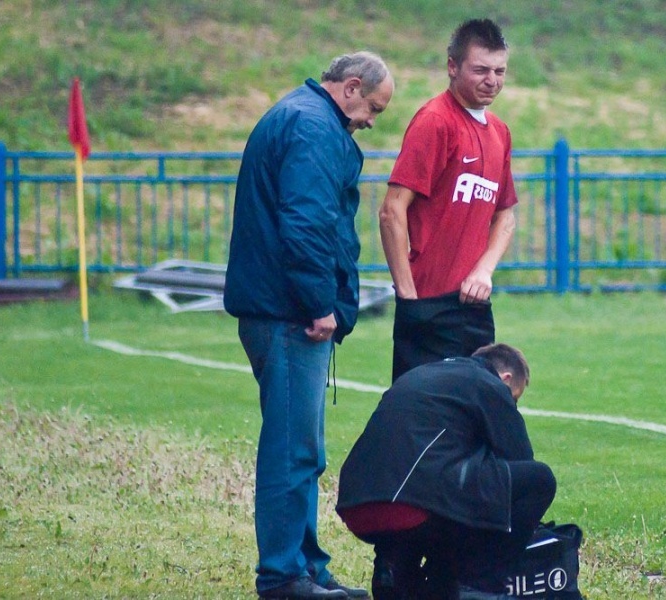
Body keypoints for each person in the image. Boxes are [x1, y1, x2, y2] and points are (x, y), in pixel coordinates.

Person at [224, 52, 395, 600]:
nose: (371, 120)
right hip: (290, 314)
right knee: (292, 450)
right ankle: (282, 576)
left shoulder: (297, 115)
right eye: (373, 107)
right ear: (349, 88)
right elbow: (307, 222)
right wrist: (321, 302)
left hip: (277, 307)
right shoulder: (314, 126)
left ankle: (307, 566)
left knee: (303, 448)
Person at [336, 344, 556, 600]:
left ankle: (394, 565)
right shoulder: (490, 384)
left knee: (439, 484)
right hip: (414, 506)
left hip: (357, 505)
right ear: (506, 379)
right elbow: (518, 459)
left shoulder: (421, 374)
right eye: (514, 398)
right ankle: (479, 585)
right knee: (539, 480)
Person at [378, 19, 518, 382]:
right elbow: (392, 210)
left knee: (474, 415)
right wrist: (408, 297)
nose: (492, 80)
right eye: (481, 70)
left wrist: (484, 270)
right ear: (452, 67)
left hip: (473, 308)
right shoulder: (435, 122)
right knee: (421, 420)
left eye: (500, 71)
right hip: (427, 302)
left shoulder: (500, 132)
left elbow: (506, 217)